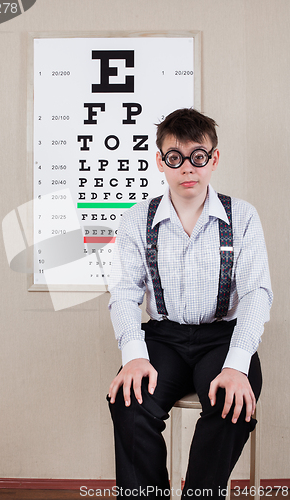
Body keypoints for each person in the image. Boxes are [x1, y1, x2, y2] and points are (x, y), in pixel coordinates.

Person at [107, 108, 273, 500]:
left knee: (232, 401)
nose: (188, 168)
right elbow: (125, 294)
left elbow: (256, 294)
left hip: (222, 338)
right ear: (161, 161)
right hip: (162, 339)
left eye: (198, 156)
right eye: (175, 157)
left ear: (213, 159)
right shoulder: (136, 221)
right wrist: (133, 355)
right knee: (129, 402)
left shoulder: (243, 217)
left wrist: (236, 365)